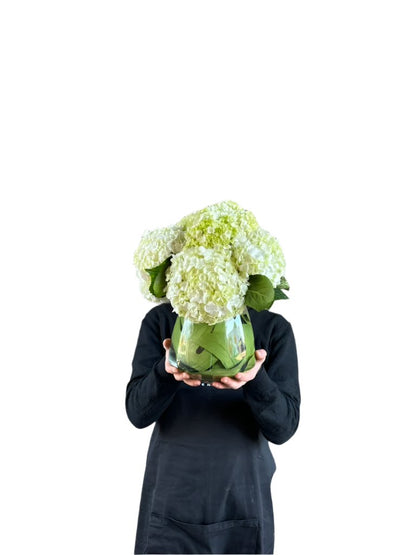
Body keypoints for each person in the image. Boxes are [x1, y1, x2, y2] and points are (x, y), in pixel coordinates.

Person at [125, 302, 300, 554]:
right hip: (169, 506)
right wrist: (165, 371)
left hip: (243, 505)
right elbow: (137, 413)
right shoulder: (163, 321)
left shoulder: (272, 328)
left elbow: (284, 428)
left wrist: (255, 379)